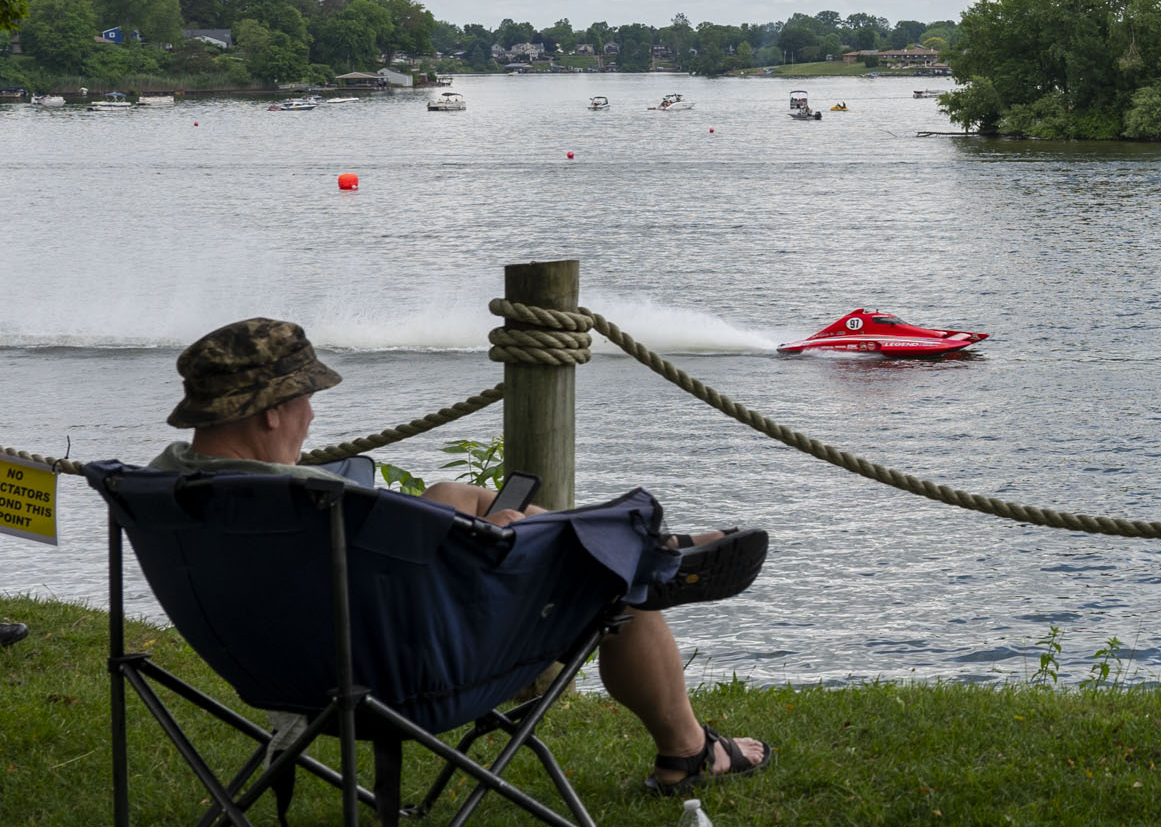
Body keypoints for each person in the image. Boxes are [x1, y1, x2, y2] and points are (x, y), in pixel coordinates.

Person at [151, 319, 777, 795]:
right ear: (269, 414)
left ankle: (646, 551)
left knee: (454, 496)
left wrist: (460, 520)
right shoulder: (308, 500)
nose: (312, 415)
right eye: (305, 400)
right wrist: (488, 537)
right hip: (402, 679)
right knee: (611, 583)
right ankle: (687, 745)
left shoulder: (159, 488)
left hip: (271, 669)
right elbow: (413, 566)